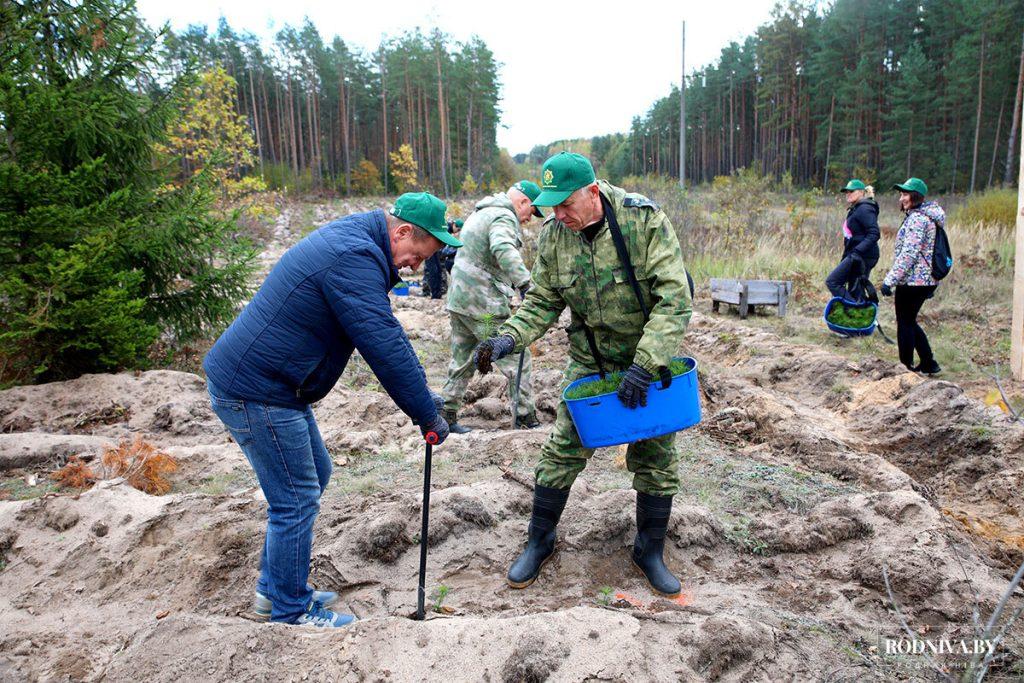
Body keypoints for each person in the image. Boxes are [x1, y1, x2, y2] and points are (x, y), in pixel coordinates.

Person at [203, 192, 460, 628]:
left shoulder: (360, 240)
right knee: (296, 498)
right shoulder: (353, 257)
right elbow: (382, 342)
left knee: (313, 476)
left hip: (276, 385)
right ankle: (290, 610)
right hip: (256, 389)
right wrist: (426, 414)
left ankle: (273, 589)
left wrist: (426, 399)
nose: (416, 267)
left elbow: (387, 335)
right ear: (400, 232)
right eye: (418, 255)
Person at [474, 153, 692, 597]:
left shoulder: (642, 222)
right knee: (562, 450)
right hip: (590, 359)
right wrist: (505, 339)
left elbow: (675, 300)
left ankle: (649, 550)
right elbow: (542, 304)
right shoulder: (556, 237)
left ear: (593, 192)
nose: (558, 215)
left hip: (647, 358)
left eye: (566, 204)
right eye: (551, 206)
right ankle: (541, 539)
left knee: (655, 455)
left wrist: (646, 364)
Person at [441, 181, 544, 433]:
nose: (529, 219)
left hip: (460, 298)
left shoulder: (482, 211)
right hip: (483, 304)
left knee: (463, 357)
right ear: (523, 202)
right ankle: (524, 416)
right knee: (517, 355)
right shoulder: (503, 216)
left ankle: (446, 413)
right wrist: (525, 283)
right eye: (531, 212)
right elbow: (502, 247)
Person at [881, 177, 942, 375]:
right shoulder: (925, 216)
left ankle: (905, 368)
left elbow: (909, 254)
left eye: (905, 194)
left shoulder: (918, 219)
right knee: (909, 320)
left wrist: (890, 280)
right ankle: (928, 363)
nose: (901, 198)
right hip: (922, 279)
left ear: (916, 196)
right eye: (901, 194)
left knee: (905, 323)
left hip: (914, 280)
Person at [825, 179, 880, 301]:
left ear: (861, 192)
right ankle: (858, 312)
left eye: (851, 191)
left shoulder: (864, 209)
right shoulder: (856, 208)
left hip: (863, 256)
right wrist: (847, 257)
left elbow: (874, 233)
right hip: (856, 255)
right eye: (846, 192)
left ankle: (857, 310)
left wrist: (857, 252)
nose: (848, 194)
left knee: (832, 281)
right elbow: (852, 238)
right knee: (855, 290)